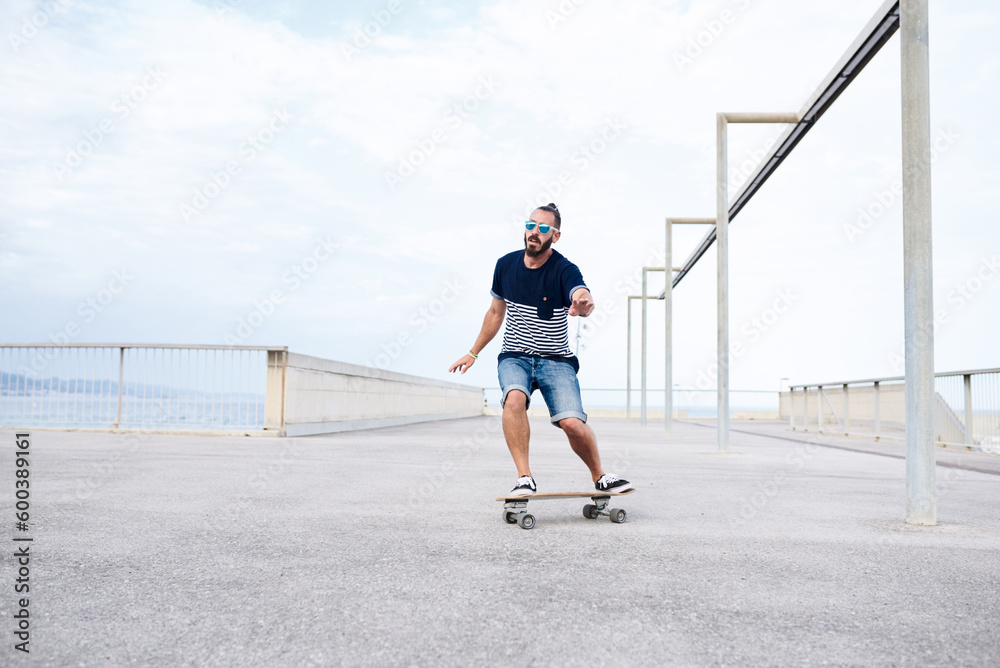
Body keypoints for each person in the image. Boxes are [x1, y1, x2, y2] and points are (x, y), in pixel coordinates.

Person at [448, 203, 632, 496]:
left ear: (555, 236)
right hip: (515, 356)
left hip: (556, 361)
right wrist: (473, 352)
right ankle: (524, 477)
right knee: (514, 399)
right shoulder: (505, 265)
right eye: (531, 225)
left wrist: (584, 303)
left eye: (544, 228)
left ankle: (600, 476)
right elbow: (496, 313)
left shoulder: (564, 269)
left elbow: (580, 294)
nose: (535, 232)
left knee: (572, 424)